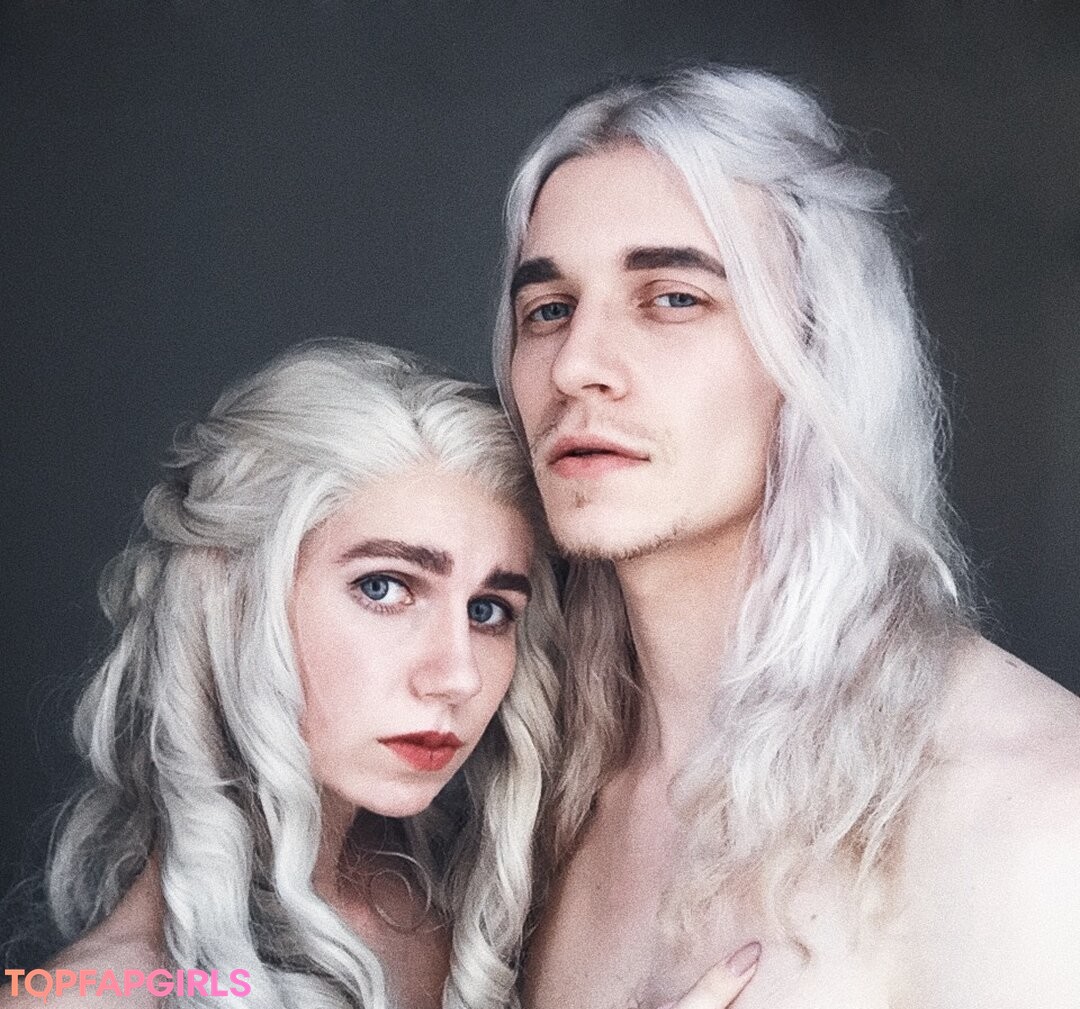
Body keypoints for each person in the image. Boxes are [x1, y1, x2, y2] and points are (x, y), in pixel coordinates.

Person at [494, 65, 1080, 1008]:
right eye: (548, 310)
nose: (576, 365)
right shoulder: (520, 800)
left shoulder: (1032, 808)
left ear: (819, 347)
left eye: (672, 297)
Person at [5, 340, 562, 1009]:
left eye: (487, 609)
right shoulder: (91, 997)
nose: (457, 676)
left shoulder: (474, 914)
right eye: (384, 587)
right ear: (232, 597)